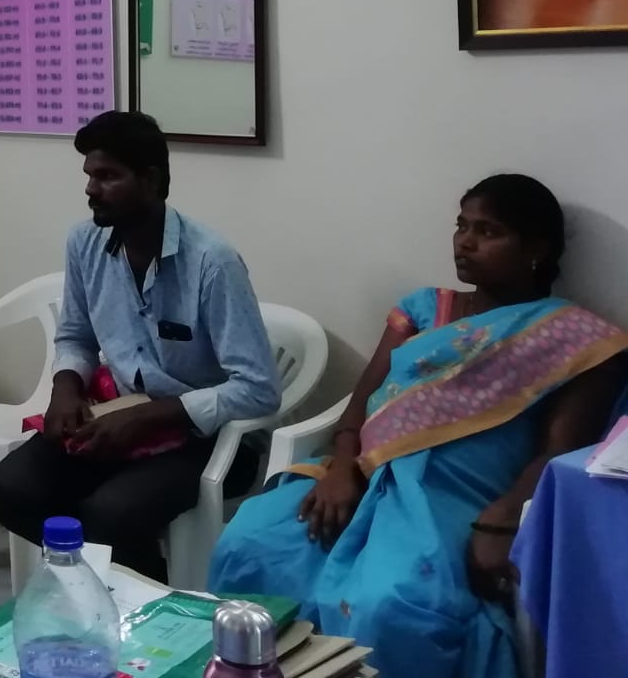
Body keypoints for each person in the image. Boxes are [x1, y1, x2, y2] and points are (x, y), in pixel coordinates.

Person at [209, 174, 628, 678]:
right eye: (461, 225)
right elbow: (361, 404)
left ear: (536, 249)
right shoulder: (425, 308)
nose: (465, 242)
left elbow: (559, 455)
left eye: (488, 231)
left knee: (393, 601)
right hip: (364, 473)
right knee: (249, 544)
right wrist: (341, 469)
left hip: (462, 492)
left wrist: (500, 521)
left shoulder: (577, 338)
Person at [0, 111, 279, 580]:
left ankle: (136, 589)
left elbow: (259, 389)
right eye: (89, 175)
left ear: (152, 180)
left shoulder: (212, 263)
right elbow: (76, 336)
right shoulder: (85, 244)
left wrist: (148, 416)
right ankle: (104, 581)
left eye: (107, 176)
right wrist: (65, 389)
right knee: (9, 487)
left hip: (208, 438)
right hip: (118, 416)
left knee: (111, 514)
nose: (91, 189)